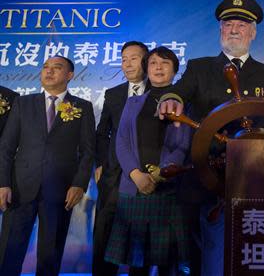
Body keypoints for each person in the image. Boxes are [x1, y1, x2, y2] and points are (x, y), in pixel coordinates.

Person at [159, 0, 264, 276]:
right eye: (229, 24)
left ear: (253, 33)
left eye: (242, 25)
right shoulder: (199, 68)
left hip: (255, 180)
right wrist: (170, 98)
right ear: (220, 30)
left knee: (252, 251)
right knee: (204, 253)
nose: (234, 30)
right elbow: (178, 91)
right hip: (205, 175)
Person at [0, 56, 95, 276]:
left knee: (50, 255)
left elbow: (88, 151)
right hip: (20, 189)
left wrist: (79, 184)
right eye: (45, 67)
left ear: (69, 75)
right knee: (9, 253)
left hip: (60, 191)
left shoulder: (82, 107)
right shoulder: (23, 103)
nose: (49, 72)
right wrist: (3, 183)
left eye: (56, 68)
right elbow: (5, 147)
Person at [104, 46, 192, 276]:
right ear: (147, 69)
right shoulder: (133, 103)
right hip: (133, 188)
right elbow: (120, 140)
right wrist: (135, 174)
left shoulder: (183, 103)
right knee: (136, 262)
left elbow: (182, 145)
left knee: (166, 262)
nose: (158, 67)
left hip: (167, 188)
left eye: (165, 63)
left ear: (174, 70)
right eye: (153, 63)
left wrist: (158, 174)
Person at [93, 41, 150, 276]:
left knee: (141, 239)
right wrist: (100, 164)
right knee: (105, 234)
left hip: (146, 175)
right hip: (113, 176)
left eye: (133, 58)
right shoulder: (114, 93)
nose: (127, 64)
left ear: (147, 60)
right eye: (123, 59)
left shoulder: (160, 92)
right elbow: (102, 133)